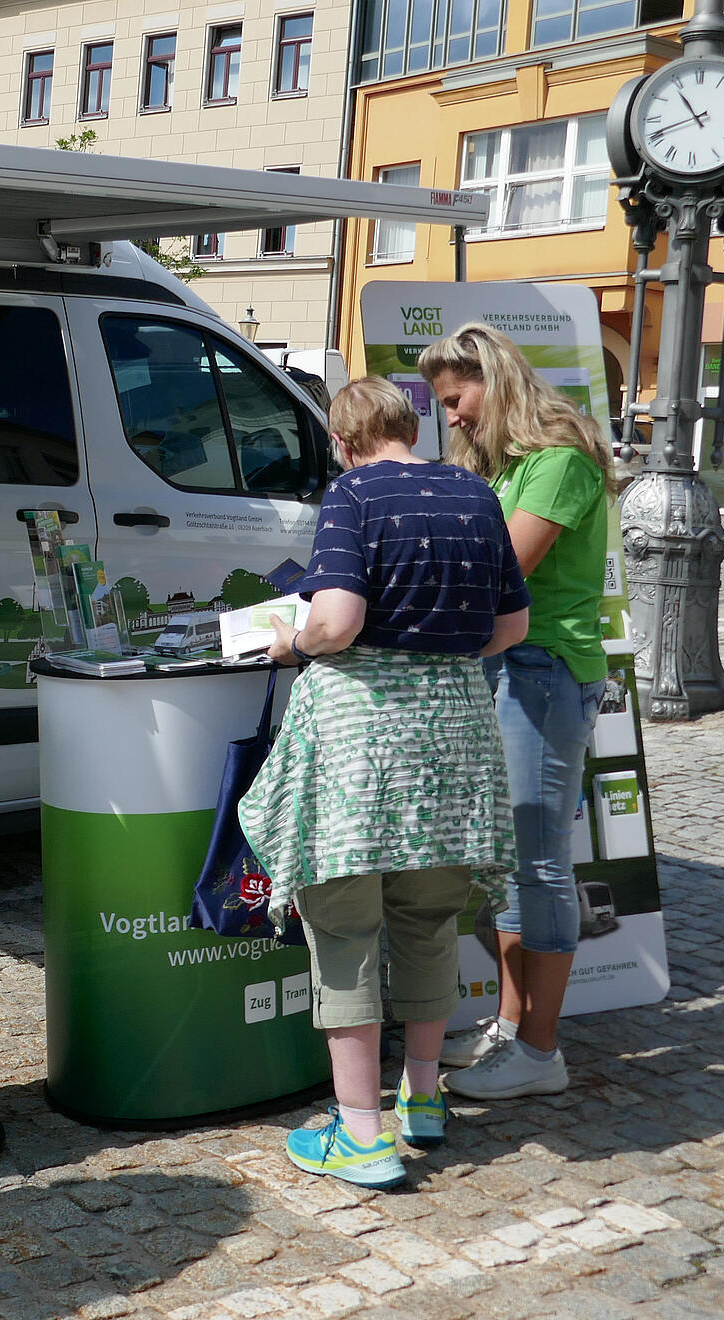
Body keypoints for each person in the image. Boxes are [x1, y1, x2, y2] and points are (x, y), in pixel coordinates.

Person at [238, 375, 529, 1189]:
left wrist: (292, 642)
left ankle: (361, 1135)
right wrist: (436, 658)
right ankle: (424, 1100)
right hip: (456, 734)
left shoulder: (353, 494)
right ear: (411, 426)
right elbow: (512, 625)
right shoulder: (475, 493)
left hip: (362, 741)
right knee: (429, 922)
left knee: (344, 927)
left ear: (343, 440)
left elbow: (337, 621)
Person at [420, 323, 618, 1102]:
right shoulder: (510, 466)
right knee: (509, 862)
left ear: (494, 381)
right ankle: (510, 1028)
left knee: (538, 863)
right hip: (507, 669)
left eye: (456, 398)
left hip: (544, 673)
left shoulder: (560, 458)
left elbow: (501, 570)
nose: (452, 416)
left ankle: (540, 1051)